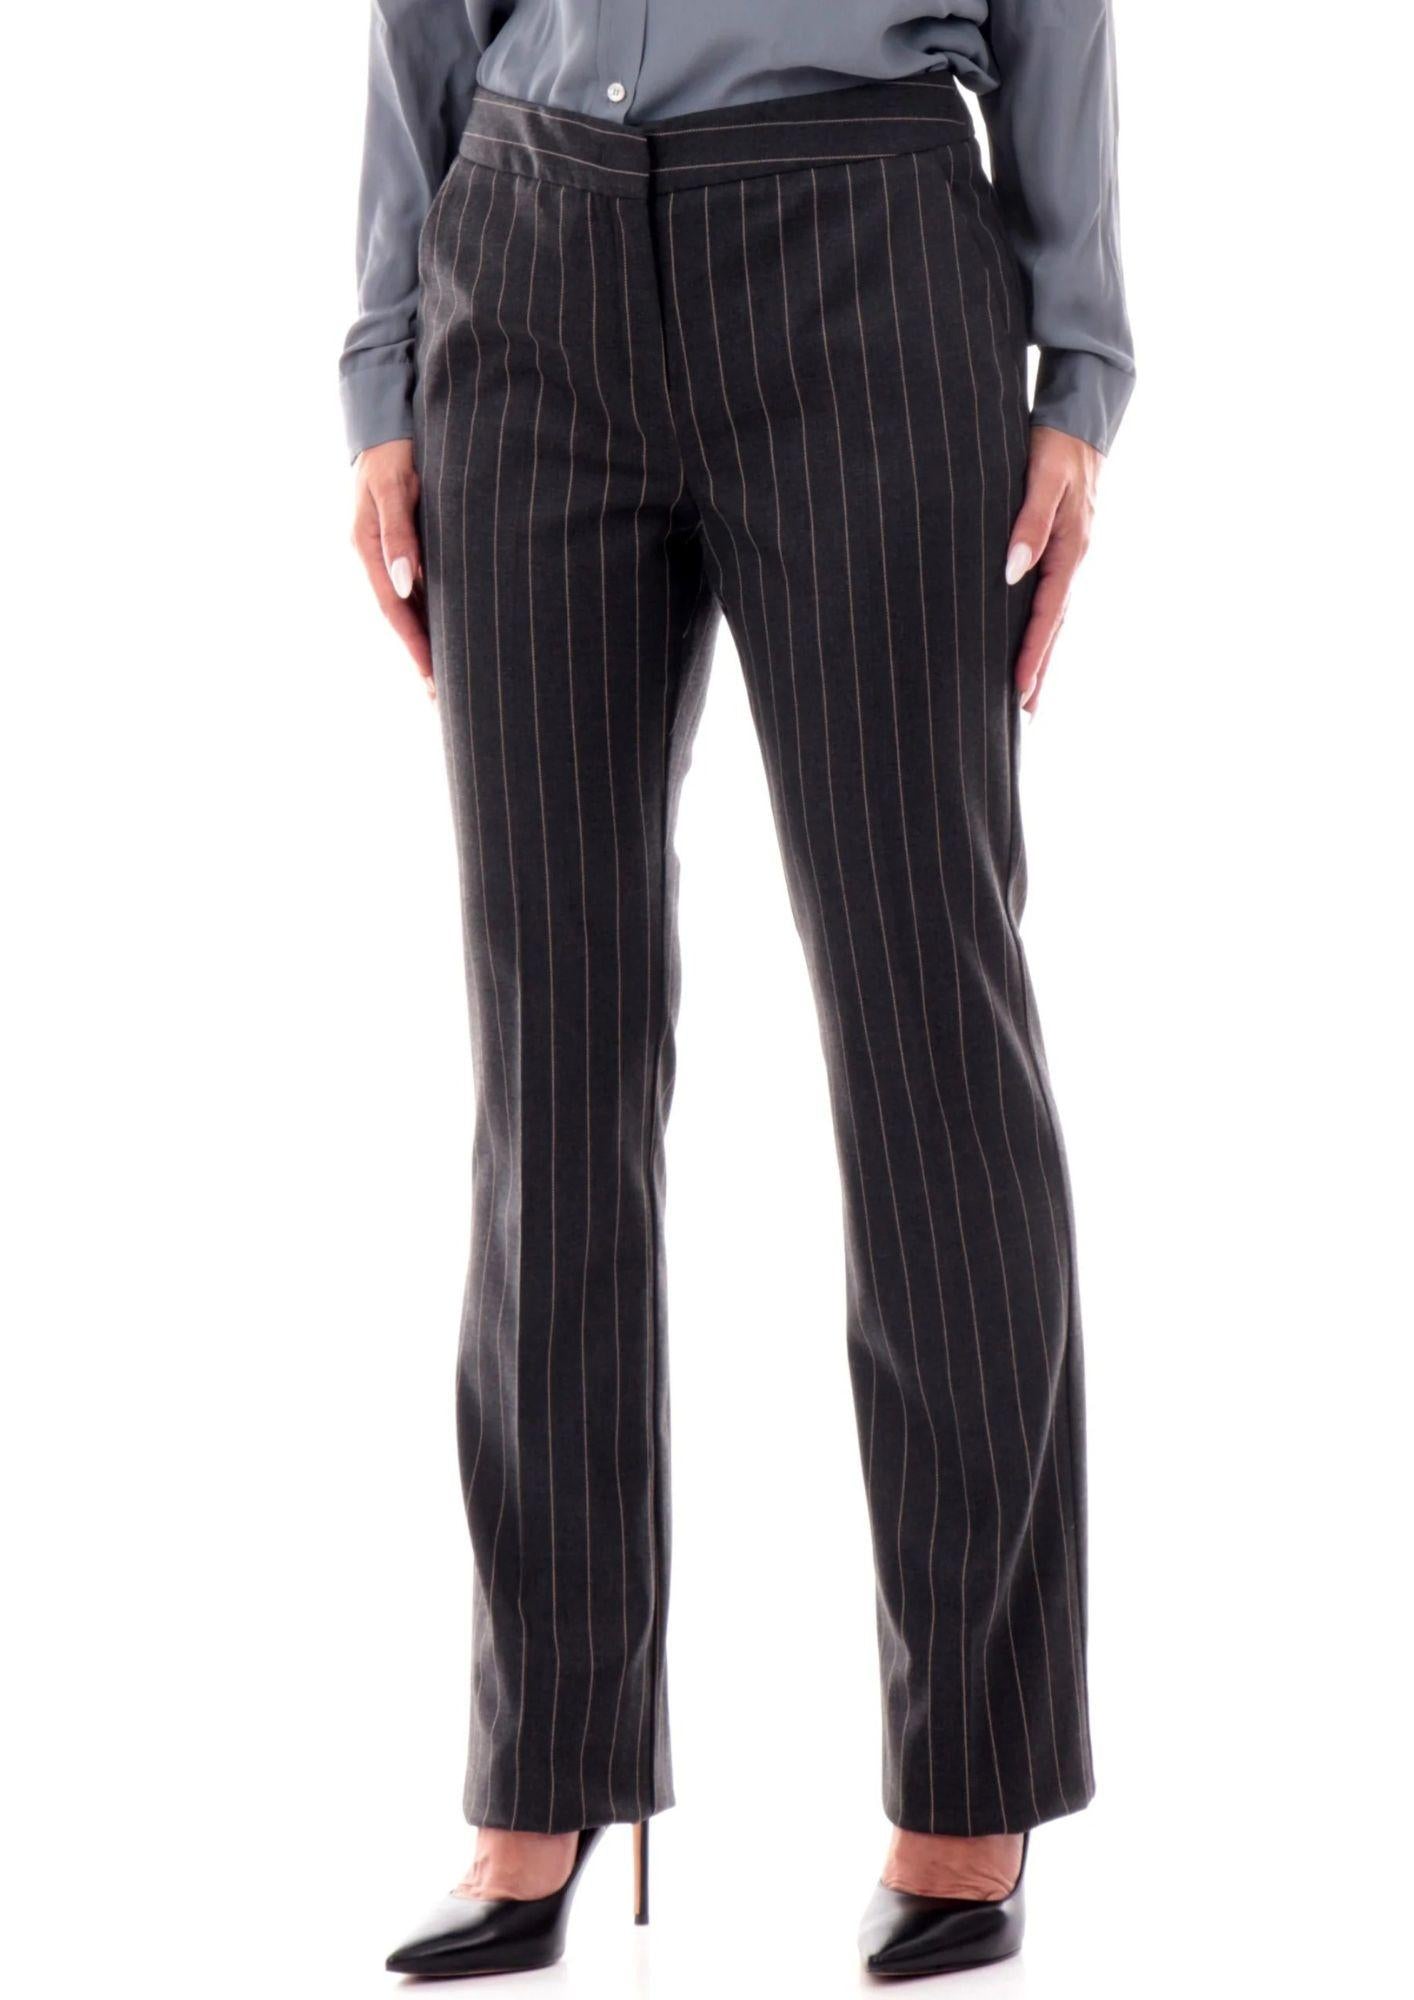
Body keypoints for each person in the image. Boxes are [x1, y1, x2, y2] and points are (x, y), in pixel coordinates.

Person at [341, 1, 1134, 1978]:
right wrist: (380, 361)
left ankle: (970, 1773)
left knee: (926, 1033)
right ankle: (547, 1765)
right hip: (520, 266)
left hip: (863, 256)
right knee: (547, 1064)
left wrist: (1079, 365)